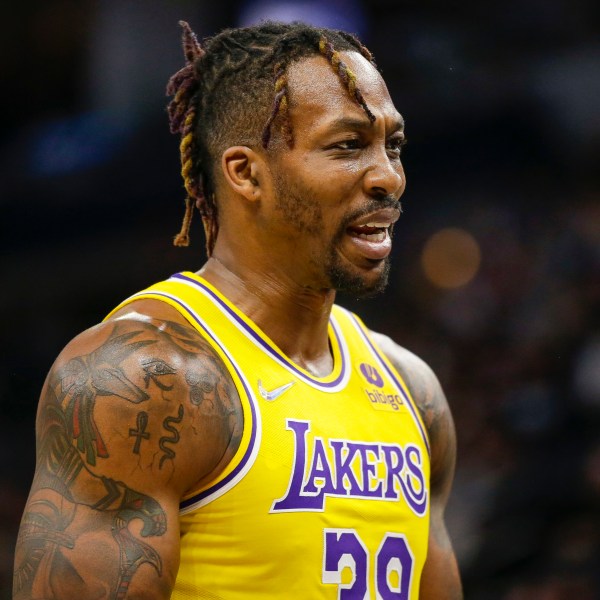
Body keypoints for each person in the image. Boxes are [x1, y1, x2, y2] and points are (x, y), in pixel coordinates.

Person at [13, 20, 462, 600]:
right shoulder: (139, 381)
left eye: (392, 145)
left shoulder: (413, 390)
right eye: (348, 145)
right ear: (246, 172)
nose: (388, 177)